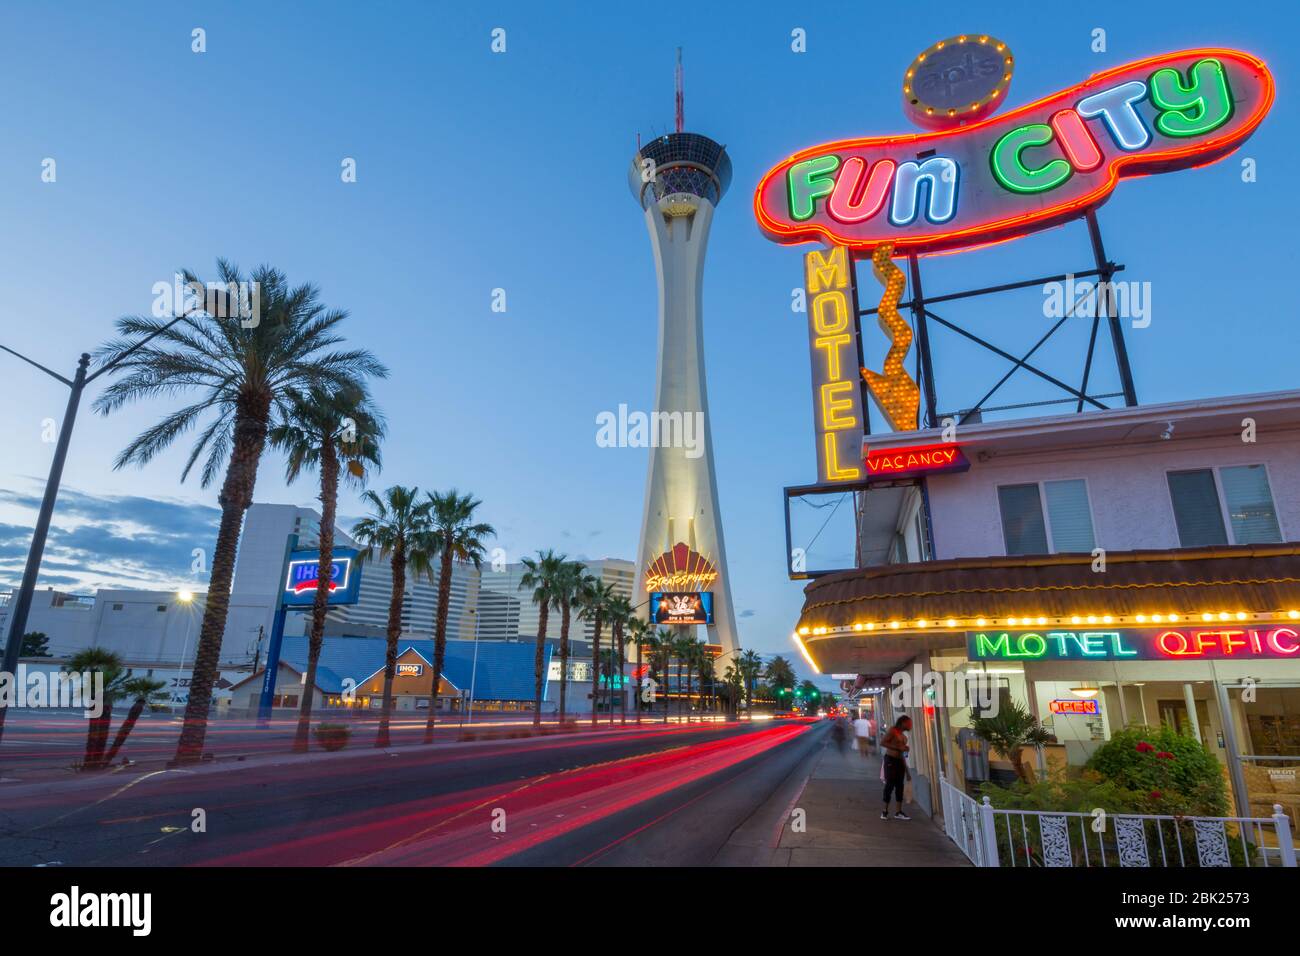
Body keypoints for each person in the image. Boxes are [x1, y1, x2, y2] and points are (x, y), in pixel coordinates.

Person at [880, 715, 912, 820]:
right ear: (902, 722)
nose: (910, 725)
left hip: (899, 762)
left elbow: (902, 754)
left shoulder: (903, 736)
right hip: (891, 761)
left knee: (900, 786)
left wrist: (907, 771)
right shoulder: (893, 731)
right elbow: (883, 742)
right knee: (889, 785)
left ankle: (898, 812)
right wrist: (898, 747)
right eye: (908, 723)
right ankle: (884, 811)